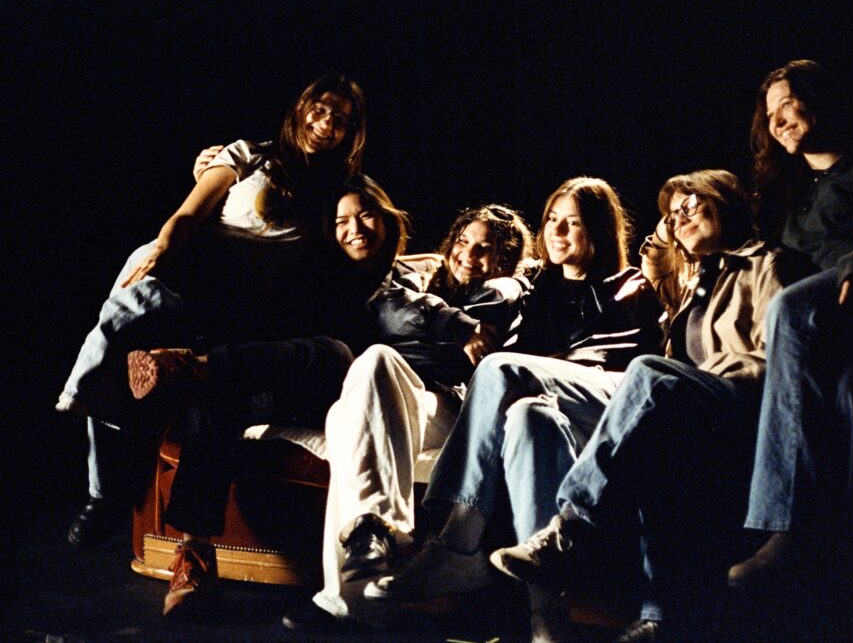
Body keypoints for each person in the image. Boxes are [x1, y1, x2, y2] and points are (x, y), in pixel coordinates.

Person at [126, 181, 528, 618]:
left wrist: (457, 322)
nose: (470, 254)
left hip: (419, 394)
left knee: (351, 362)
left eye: (484, 248)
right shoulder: (363, 272)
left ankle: (198, 366)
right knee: (221, 396)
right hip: (324, 389)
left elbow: (413, 308)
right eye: (342, 221)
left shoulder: (491, 290)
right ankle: (196, 554)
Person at [486, 170, 798, 640]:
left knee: (647, 371)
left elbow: (784, 358)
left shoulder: (766, 263)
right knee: (625, 432)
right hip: (691, 409)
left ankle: (572, 528)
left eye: (691, 206)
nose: (679, 219)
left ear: (725, 203)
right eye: (672, 216)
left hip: (743, 404)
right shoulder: (697, 282)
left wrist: (698, 380)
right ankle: (655, 618)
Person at [58, 74, 367, 548]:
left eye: (341, 120)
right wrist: (162, 248)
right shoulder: (248, 154)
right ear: (301, 107)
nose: (326, 123)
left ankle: (181, 535)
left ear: (351, 133)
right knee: (136, 301)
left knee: (193, 380)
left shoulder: (337, 189)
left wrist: (416, 256)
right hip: (194, 273)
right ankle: (103, 486)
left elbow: (368, 227)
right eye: (320, 109)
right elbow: (188, 215)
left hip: (240, 310)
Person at [362, 176, 664, 642]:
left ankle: (458, 539)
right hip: (550, 407)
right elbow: (451, 271)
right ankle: (546, 618)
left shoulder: (629, 285)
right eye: (552, 221)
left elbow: (625, 356)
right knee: (527, 420)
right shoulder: (534, 285)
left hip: (610, 401)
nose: (558, 233)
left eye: (573, 224)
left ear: (600, 232)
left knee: (502, 369)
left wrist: (544, 368)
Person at [280, 205, 535, 632]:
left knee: (376, 363)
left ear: (504, 259)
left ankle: (344, 597)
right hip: (394, 395)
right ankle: (368, 550)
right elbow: (386, 312)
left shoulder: (506, 291)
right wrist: (452, 327)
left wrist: (423, 333)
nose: (468, 255)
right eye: (462, 242)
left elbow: (457, 335)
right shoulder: (415, 278)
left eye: (484, 249)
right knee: (351, 408)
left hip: (455, 410)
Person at [726, 59, 853, 590]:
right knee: (771, 313)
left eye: (787, 104)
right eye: (769, 115)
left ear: (817, 99)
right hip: (810, 324)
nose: (778, 121)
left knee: (790, 306)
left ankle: (787, 526)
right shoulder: (793, 197)